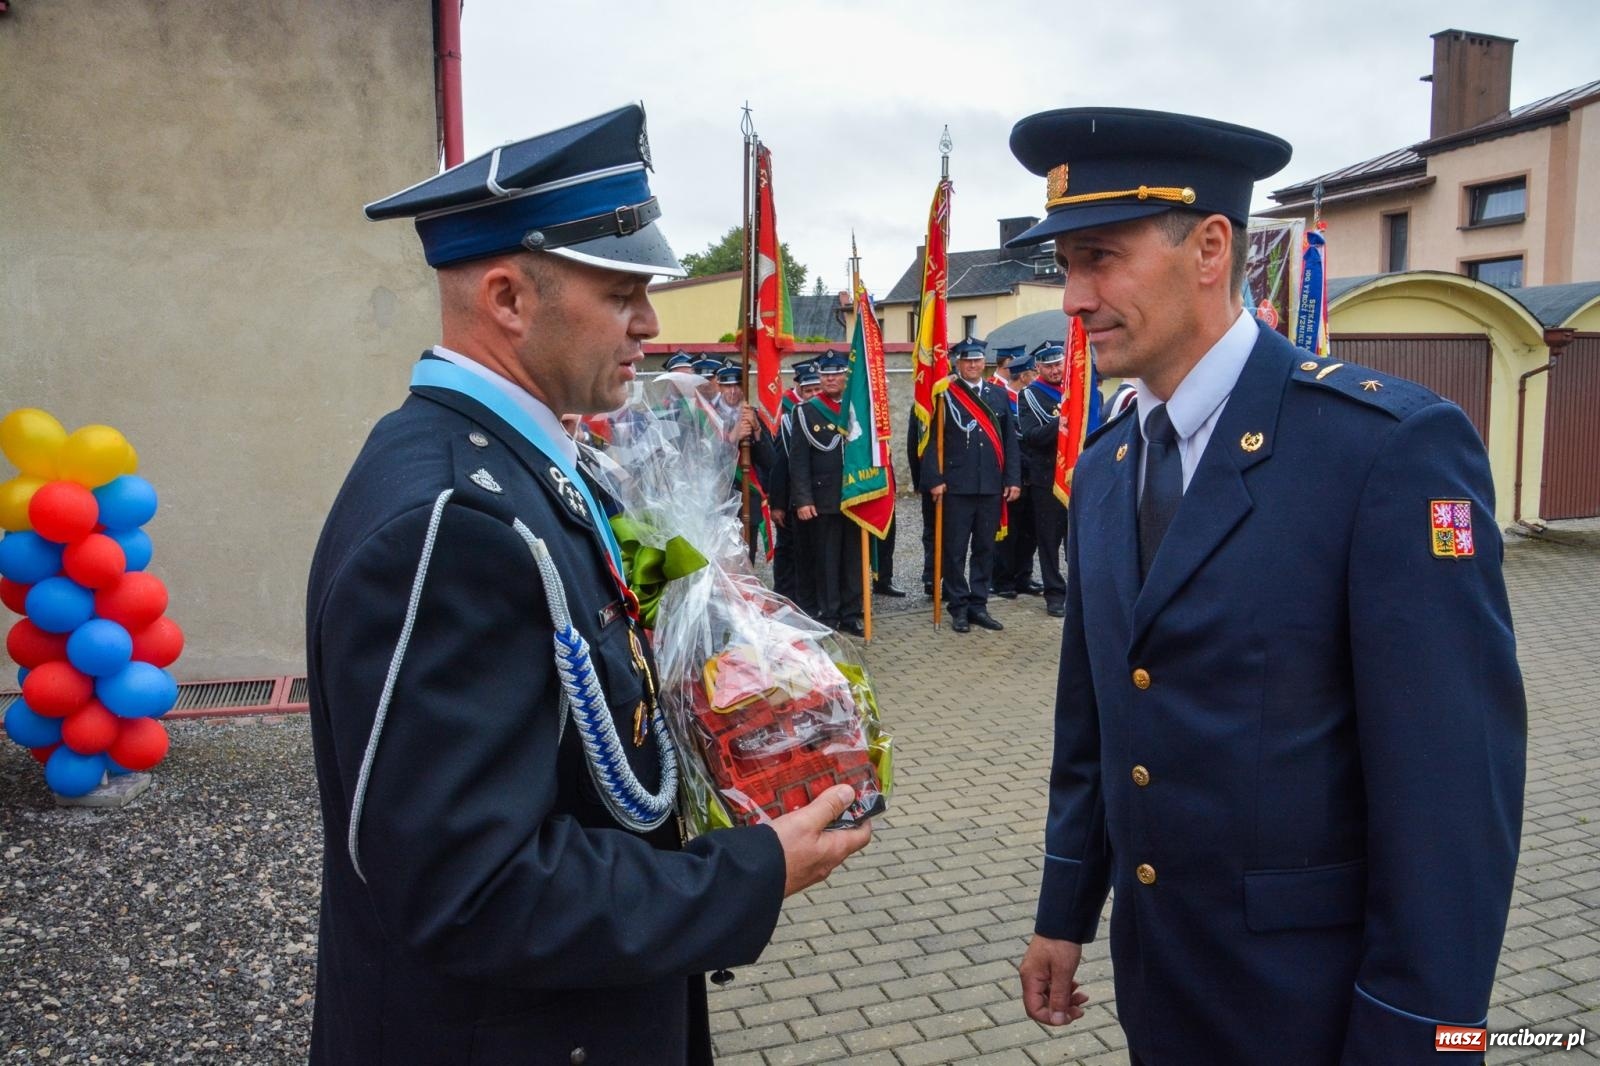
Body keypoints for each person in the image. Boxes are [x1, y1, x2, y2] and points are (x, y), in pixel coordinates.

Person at [306, 105, 871, 1066]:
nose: (650, 322)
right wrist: (747, 875)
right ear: (508, 299)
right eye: (622, 291)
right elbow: (472, 889)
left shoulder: (518, 466)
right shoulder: (454, 519)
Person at [1007, 107, 1525, 1065]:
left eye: (1099, 258)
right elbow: (1096, 724)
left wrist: (1420, 1038)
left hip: (1320, 1009)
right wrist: (1064, 909)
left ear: (1210, 248)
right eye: (1066, 266)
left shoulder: (1382, 452)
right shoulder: (1110, 463)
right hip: (1162, 984)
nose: (1074, 298)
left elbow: (1452, 798)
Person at [926, 339, 1020, 632]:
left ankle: (979, 605)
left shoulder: (996, 394)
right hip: (956, 487)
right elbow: (929, 442)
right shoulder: (944, 395)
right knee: (954, 551)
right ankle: (958, 607)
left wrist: (1013, 479)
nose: (973, 365)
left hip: (991, 485)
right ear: (957, 363)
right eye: (967, 361)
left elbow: (1010, 441)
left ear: (985, 363)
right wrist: (934, 479)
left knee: (985, 548)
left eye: (978, 361)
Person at [787, 352, 865, 637]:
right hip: (822, 499)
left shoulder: (859, 409)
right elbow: (798, 461)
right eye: (825, 374)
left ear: (846, 375)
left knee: (853, 559)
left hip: (855, 495)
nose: (831, 378)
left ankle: (851, 612)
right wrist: (804, 499)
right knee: (827, 560)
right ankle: (829, 613)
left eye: (837, 373)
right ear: (819, 377)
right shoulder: (807, 412)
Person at [1016, 342, 1069, 617]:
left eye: (1058, 363)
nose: (1055, 370)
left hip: (1075, 476)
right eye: (1048, 365)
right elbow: (1031, 436)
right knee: (1049, 541)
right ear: (1038, 368)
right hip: (1046, 478)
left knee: (1079, 540)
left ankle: (1081, 590)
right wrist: (1057, 426)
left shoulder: (1075, 390)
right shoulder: (1030, 396)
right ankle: (1055, 594)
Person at [768, 360, 818, 604]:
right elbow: (779, 464)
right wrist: (777, 503)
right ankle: (785, 594)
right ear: (797, 387)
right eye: (808, 390)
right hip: (789, 497)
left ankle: (806, 596)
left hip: (814, 496)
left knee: (809, 551)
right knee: (788, 548)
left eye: (816, 390)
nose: (813, 395)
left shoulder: (820, 411)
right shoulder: (786, 414)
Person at [994, 349, 1042, 601]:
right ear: (1024, 376)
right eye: (1034, 372)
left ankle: (1023, 576)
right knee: (1008, 531)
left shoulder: (1029, 398)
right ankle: (1002, 579)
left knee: (1029, 530)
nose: (1036, 376)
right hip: (1014, 474)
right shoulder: (1002, 398)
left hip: (1033, 475)